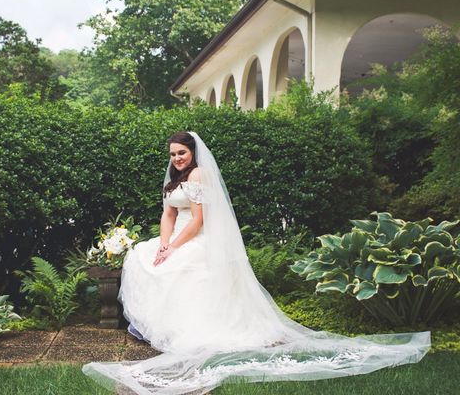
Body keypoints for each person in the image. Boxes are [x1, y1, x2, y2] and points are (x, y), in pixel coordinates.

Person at [83, 131, 430, 395]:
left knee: (179, 267)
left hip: (196, 239)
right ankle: (166, 323)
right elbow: (168, 213)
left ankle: (191, 329)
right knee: (144, 258)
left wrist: (173, 247)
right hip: (175, 236)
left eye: (181, 153)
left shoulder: (199, 176)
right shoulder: (174, 180)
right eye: (173, 154)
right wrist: (161, 244)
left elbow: (198, 221)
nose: (176, 158)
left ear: (193, 153)